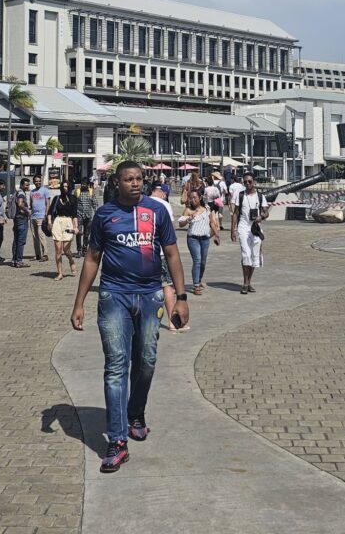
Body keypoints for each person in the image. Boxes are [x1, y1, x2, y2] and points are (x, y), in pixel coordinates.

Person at [70, 161, 188, 473]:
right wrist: (79, 302)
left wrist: (181, 297)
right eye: (128, 179)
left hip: (150, 297)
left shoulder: (157, 211)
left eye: (138, 178)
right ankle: (117, 441)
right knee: (116, 366)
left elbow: (173, 253)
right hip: (113, 297)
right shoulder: (105, 215)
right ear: (118, 183)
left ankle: (136, 413)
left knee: (146, 360)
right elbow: (92, 258)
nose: (135, 184)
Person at [150, 182, 184, 332]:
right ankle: (171, 321)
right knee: (167, 286)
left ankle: (148, 322)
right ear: (163, 193)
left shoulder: (141, 204)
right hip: (162, 253)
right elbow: (170, 231)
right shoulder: (164, 205)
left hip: (146, 253)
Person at [230, 173, 269, 295]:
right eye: (245, 182)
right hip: (243, 226)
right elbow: (236, 213)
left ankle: (248, 282)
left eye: (249, 181)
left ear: (254, 182)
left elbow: (266, 212)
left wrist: (261, 216)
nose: (247, 184)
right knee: (246, 254)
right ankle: (245, 282)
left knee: (254, 255)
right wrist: (233, 229)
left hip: (255, 227)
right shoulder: (240, 195)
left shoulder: (260, 196)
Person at [178, 188, 220, 295]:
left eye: (195, 197)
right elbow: (181, 224)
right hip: (193, 239)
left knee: (203, 262)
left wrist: (216, 235)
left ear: (199, 198)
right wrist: (188, 218)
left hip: (205, 239)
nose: (193, 200)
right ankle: (196, 285)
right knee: (197, 260)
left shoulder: (207, 208)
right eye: (191, 198)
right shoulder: (188, 210)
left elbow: (211, 222)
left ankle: (199, 279)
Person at [47, 179, 79, 280]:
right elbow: (50, 212)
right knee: (58, 250)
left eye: (67, 186)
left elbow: (74, 215)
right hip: (57, 222)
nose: (65, 188)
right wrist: (49, 222)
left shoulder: (73, 199)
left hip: (68, 222)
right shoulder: (56, 198)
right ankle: (60, 273)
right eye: (63, 186)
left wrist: (76, 227)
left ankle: (71, 260)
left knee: (66, 249)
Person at [29, 174, 51, 262]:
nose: (38, 182)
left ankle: (45, 254)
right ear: (33, 182)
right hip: (33, 216)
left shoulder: (45, 190)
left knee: (41, 234)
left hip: (41, 216)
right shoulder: (32, 192)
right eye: (36, 181)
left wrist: (47, 214)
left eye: (39, 181)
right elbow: (31, 203)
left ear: (41, 181)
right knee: (35, 236)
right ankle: (37, 254)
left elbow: (48, 203)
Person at [10, 178, 31, 268]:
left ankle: (14, 260)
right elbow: (20, 204)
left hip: (17, 218)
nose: (27, 186)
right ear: (21, 185)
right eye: (26, 185)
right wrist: (27, 211)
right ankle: (19, 261)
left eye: (28, 185)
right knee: (21, 241)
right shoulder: (21, 193)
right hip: (22, 218)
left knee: (16, 240)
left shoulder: (17, 192)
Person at [75, 178, 97, 256]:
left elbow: (95, 204)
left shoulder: (91, 192)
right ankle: (79, 250)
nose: (83, 185)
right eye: (82, 184)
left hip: (88, 216)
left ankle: (84, 250)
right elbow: (74, 203)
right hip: (79, 215)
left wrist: (96, 214)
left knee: (87, 234)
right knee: (78, 233)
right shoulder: (77, 191)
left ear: (88, 185)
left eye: (84, 184)